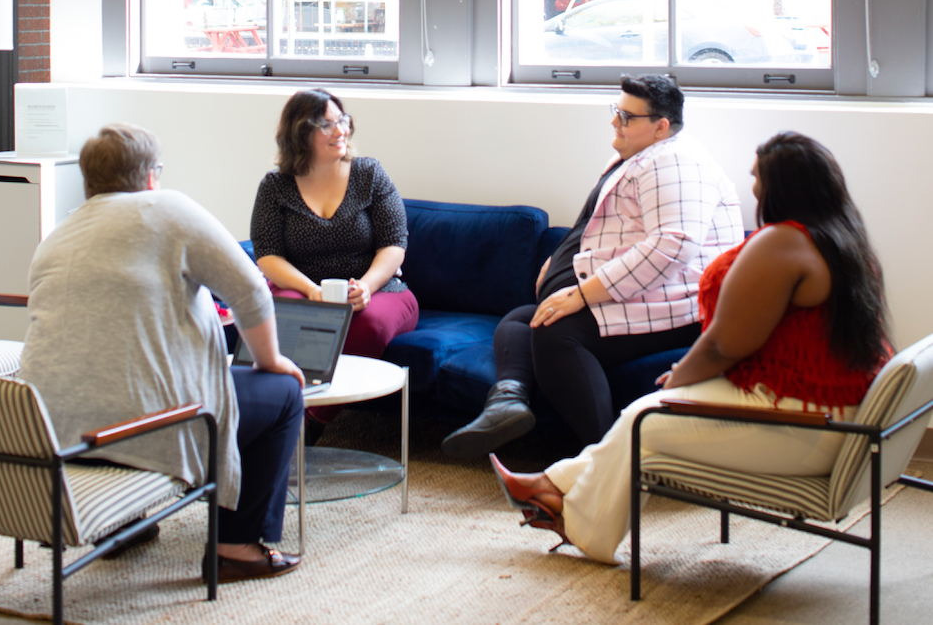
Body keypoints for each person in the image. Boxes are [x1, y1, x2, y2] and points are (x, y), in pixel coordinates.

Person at [490, 132, 893, 564]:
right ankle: (553, 489)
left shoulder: (784, 243)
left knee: (646, 420)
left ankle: (574, 517)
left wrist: (680, 379)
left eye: (757, 176)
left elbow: (723, 344)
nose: (752, 186)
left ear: (782, 185)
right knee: (643, 417)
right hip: (826, 406)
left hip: (805, 421)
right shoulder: (844, 239)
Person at [19, 123, 305, 584]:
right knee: (283, 394)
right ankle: (236, 545)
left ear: (89, 180)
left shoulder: (58, 235)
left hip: (55, 433)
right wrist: (271, 360)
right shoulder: (168, 208)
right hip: (142, 432)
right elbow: (251, 290)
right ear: (152, 175)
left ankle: (123, 524)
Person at [442, 74, 744, 458]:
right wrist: (560, 261)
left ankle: (605, 459)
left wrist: (583, 293)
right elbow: (609, 229)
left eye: (626, 116)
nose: (615, 121)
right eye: (615, 111)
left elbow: (672, 247)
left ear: (660, 126)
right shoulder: (639, 156)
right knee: (522, 319)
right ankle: (507, 402)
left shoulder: (676, 163)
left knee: (556, 333)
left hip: (678, 306)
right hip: (647, 295)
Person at [250, 88, 419, 441]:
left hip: (380, 290)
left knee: (367, 324)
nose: (340, 131)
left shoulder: (368, 173)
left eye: (342, 120)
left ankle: (308, 420)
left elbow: (394, 244)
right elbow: (267, 254)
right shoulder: (275, 186)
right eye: (326, 125)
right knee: (289, 317)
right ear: (300, 133)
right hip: (303, 288)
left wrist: (367, 287)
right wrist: (311, 290)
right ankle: (277, 413)